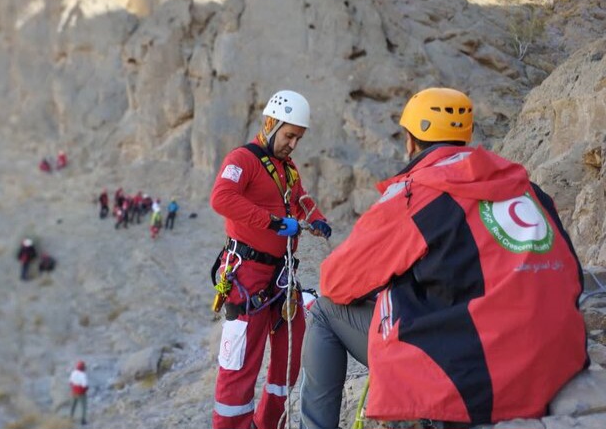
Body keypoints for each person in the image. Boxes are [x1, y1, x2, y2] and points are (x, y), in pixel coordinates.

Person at [298, 88, 588, 429]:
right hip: (555, 363)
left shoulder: (418, 193)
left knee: (324, 311)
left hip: (477, 376)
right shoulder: (526, 187)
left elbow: (336, 281)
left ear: (410, 140)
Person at [210, 90, 332, 429]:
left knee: (289, 354)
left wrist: (316, 217)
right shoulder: (242, 160)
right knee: (240, 363)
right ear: (271, 123)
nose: (293, 144)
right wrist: (273, 222)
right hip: (247, 274)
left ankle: (268, 422)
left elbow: (299, 197)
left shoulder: (287, 168)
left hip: (281, 277)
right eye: (290, 135)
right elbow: (221, 198)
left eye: (299, 138)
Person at [69, 360, 89, 425]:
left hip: (74, 392)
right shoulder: (83, 375)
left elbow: (70, 382)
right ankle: (83, 420)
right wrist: (85, 390)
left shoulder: (73, 372)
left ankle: (70, 418)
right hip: (81, 393)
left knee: (73, 405)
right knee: (84, 406)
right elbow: (85, 385)